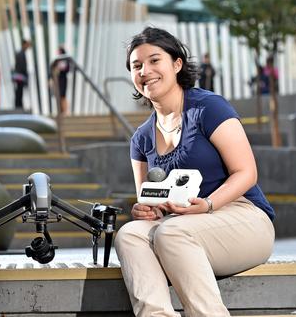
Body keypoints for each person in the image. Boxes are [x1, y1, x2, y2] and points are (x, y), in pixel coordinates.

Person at [115, 27, 275, 316]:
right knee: (129, 234)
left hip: (242, 217)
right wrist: (148, 210)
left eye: (154, 60)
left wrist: (209, 203)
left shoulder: (208, 108)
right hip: (181, 225)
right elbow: (148, 200)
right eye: (136, 65)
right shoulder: (140, 138)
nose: (144, 71)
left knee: (171, 233)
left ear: (177, 64)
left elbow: (246, 172)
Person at [50, 46, 72, 115]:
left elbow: (67, 69)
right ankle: (61, 111)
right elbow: (52, 69)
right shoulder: (56, 61)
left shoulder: (65, 60)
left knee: (62, 95)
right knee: (58, 95)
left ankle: (65, 111)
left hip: (63, 80)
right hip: (57, 80)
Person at [12, 39, 31, 109]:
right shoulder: (21, 54)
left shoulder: (19, 53)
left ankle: (18, 104)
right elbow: (22, 67)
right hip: (20, 76)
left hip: (18, 75)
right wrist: (25, 75)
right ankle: (18, 105)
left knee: (19, 91)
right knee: (19, 91)